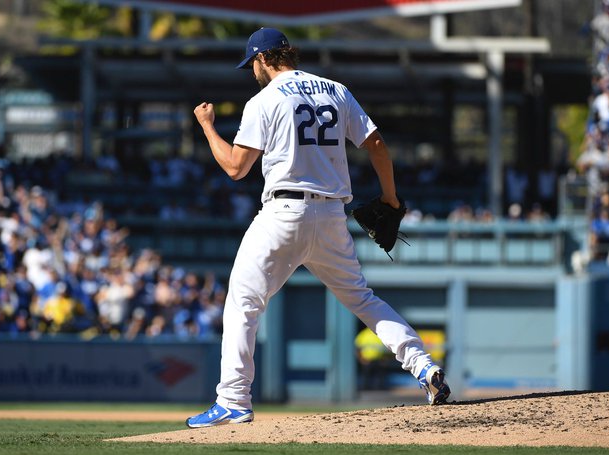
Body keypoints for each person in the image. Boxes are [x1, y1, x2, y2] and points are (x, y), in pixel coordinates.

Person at [185, 27, 450, 428]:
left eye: (252, 63)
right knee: (363, 299)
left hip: (283, 213)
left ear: (263, 58)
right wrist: (391, 198)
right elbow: (376, 145)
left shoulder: (264, 100)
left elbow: (236, 169)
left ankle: (234, 400)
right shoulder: (336, 90)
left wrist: (206, 126)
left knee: (243, 303)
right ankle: (424, 367)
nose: (252, 71)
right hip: (331, 218)